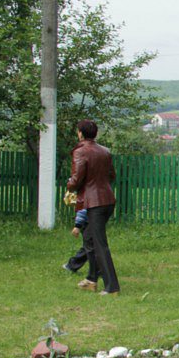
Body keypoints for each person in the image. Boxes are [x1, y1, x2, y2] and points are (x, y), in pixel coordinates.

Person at [66, 119, 120, 295]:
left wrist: (70, 186)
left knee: (99, 244)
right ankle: (91, 279)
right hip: (107, 199)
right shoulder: (104, 151)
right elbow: (111, 175)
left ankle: (112, 287)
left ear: (80, 133)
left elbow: (77, 178)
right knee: (89, 240)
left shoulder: (81, 151)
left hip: (93, 202)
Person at [62, 207, 89, 274]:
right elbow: (82, 210)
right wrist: (77, 226)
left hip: (92, 222)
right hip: (87, 223)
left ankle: (99, 271)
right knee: (90, 247)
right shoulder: (87, 197)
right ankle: (72, 265)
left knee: (94, 247)